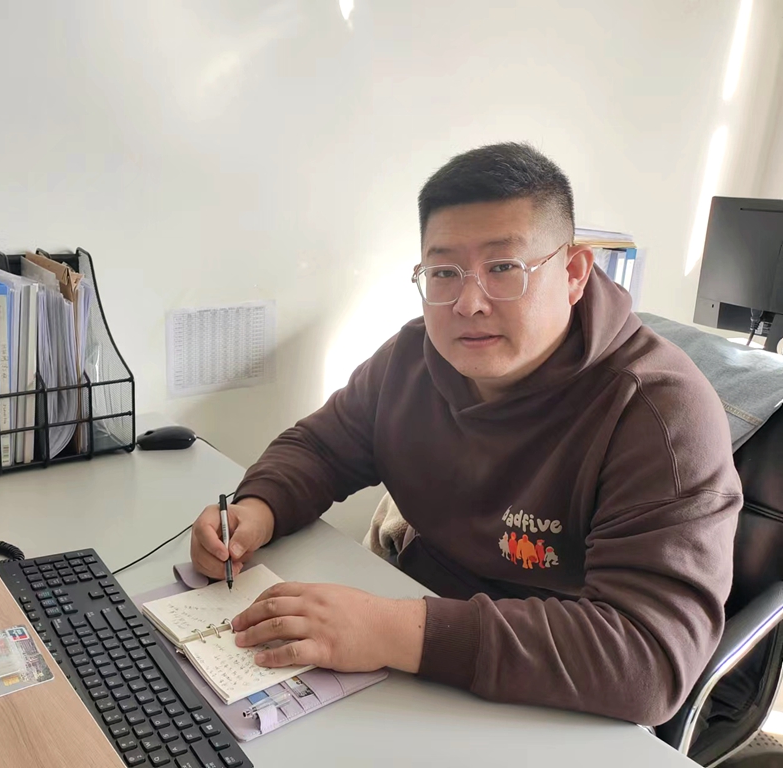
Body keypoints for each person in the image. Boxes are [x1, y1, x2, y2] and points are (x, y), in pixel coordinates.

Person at [188, 142, 741, 725]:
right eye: (444, 272)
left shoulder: (659, 413)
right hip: (419, 647)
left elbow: (647, 658)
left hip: (559, 695)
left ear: (574, 273)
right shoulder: (413, 357)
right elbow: (323, 446)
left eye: (504, 268)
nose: (469, 303)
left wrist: (388, 629)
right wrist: (257, 509)